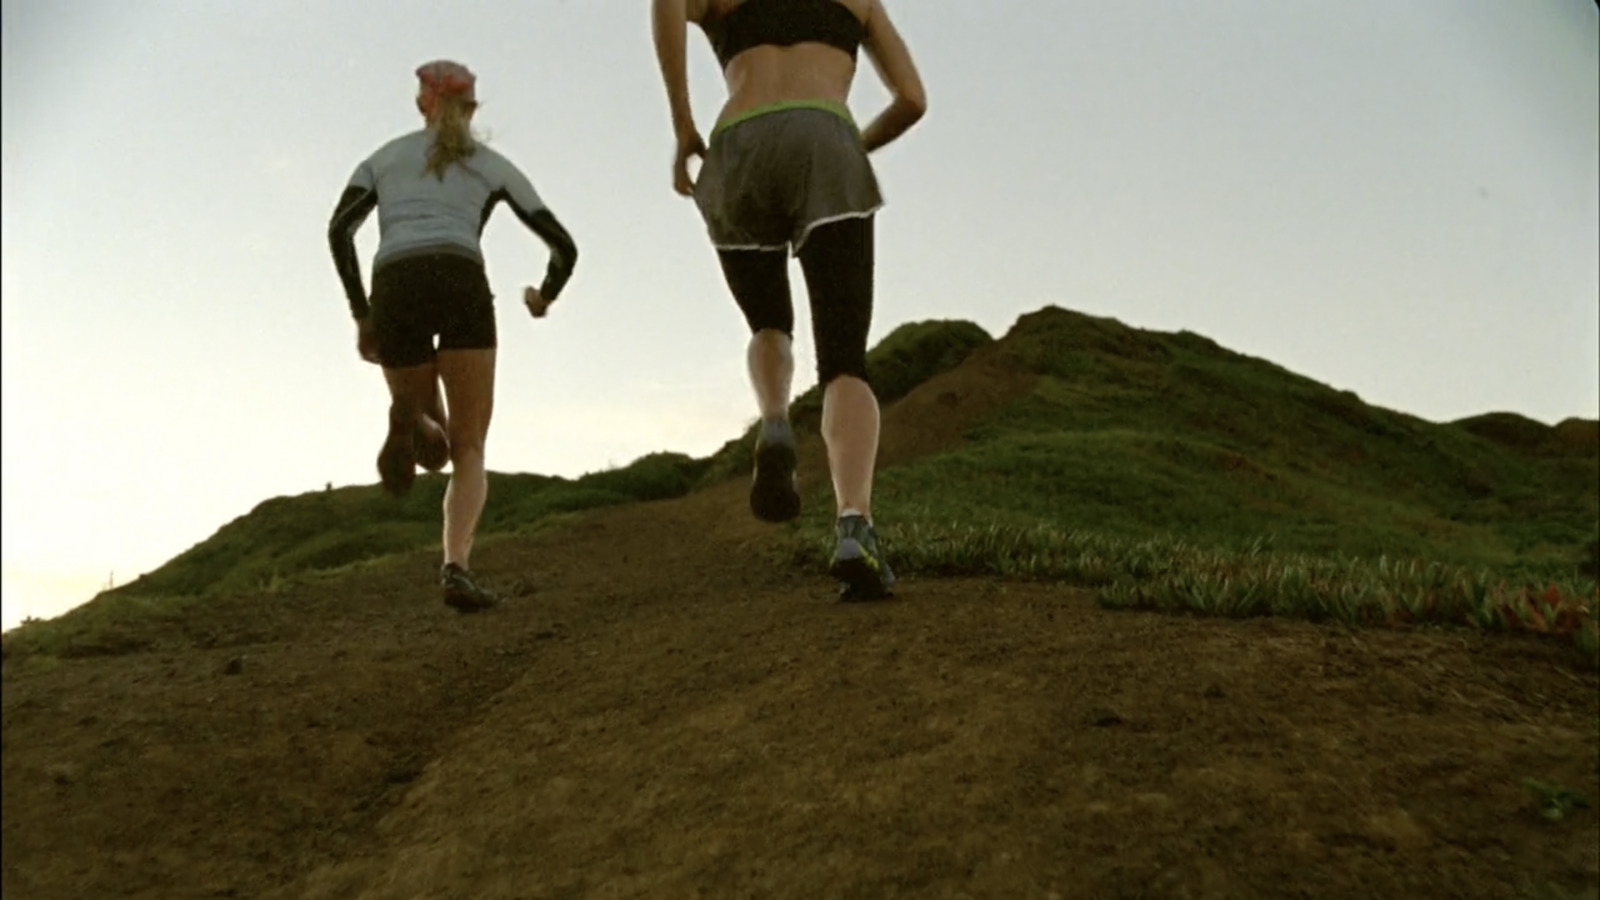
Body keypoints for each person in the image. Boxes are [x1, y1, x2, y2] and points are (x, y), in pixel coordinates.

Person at [651, 0, 926, 600]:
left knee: (768, 320)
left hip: (736, 142)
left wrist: (682, 122)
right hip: (825, 135)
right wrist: (849, 143)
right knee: (844, 358)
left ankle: (775, 420)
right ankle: (855, 523)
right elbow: (913, 100)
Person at [327, 60, 579, 613]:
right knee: (465, 450)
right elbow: (564, 244)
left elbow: (339, 230)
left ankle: (413, 416)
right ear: (470, 110)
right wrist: (544, 294)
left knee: (433, 446)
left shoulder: (383, 159)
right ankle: (456, 568)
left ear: (423, 104)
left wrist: (362, 313)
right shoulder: (491, 165)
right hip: (461, 279)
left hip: (395, 283)